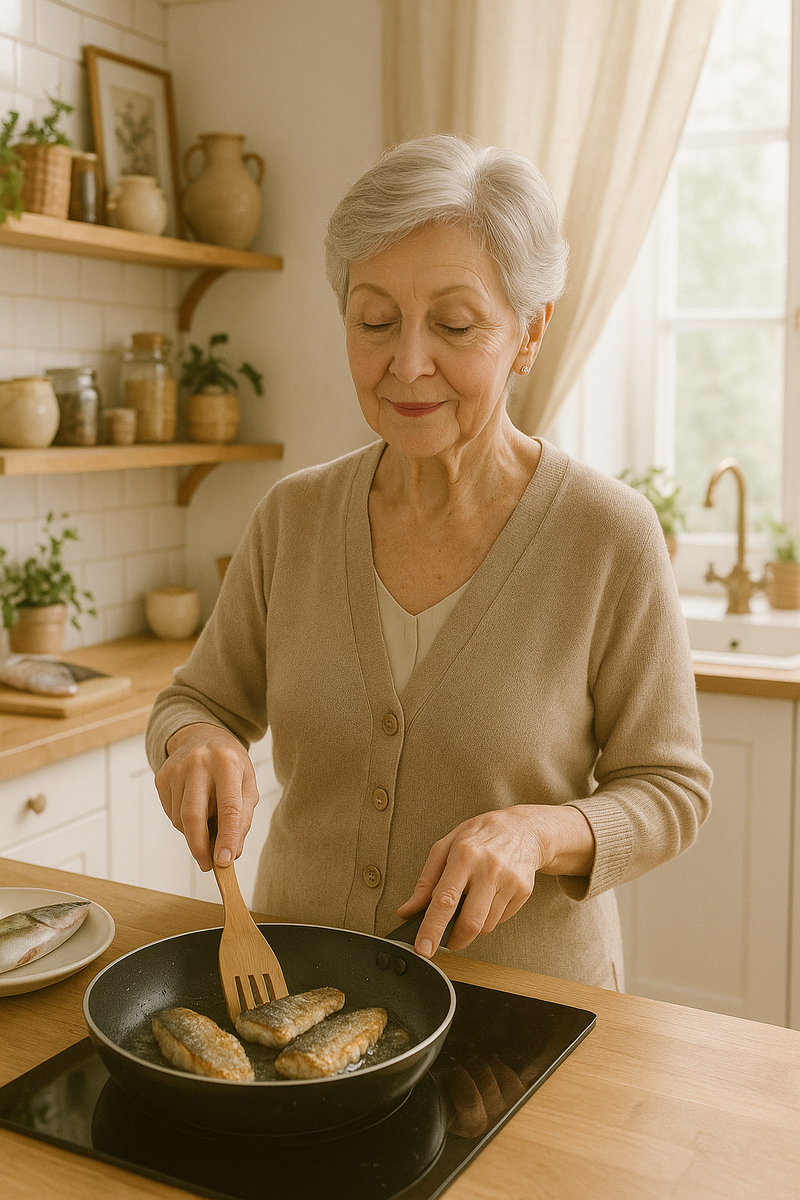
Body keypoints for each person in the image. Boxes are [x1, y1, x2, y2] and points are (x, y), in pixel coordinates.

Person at [148, 134, 711, 989]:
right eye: (374, 321)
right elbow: (197, 700)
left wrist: (539, 833)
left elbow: (670, 790)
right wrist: (194, 741)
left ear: (529, 332)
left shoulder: (609, 537)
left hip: (522, 1015)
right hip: (292, 991)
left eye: (455, 325)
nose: (407, 364)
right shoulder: (293, 519)